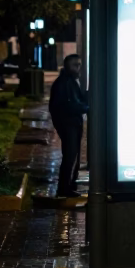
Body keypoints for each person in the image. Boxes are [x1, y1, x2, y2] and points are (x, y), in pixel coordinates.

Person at [48, 53, 89, 197]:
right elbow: (69, 106)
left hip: (71, 123)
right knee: (70, 156)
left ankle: (68, 186)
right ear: (67, 66)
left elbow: (77, 100)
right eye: (75, 65)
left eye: (79, 65)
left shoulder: (70, 81)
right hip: (68, 124)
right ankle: (64, 188)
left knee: (72, 156)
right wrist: (87, 108)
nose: (78, 68)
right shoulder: (64, 83)